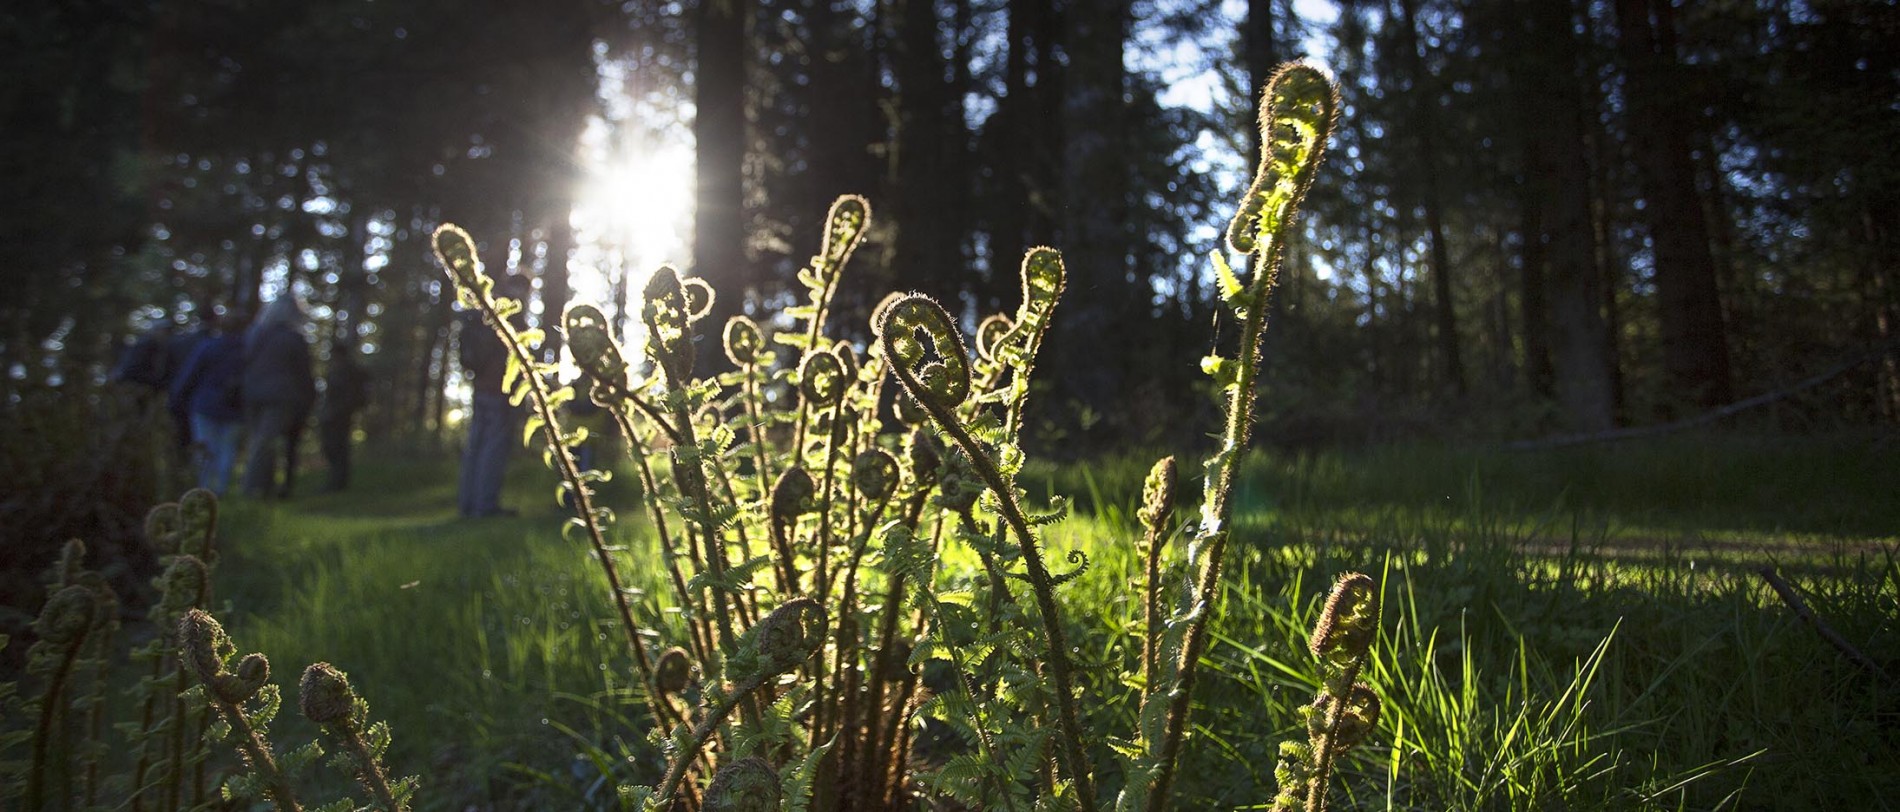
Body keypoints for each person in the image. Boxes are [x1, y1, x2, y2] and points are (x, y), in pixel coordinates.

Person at [457, 274, 529, 518]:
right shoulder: (510, 314)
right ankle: (484, 505)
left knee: (476, 445)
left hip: (480, 389)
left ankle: (468, 504)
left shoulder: (484, 310)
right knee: (493, 447)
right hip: (500, 391)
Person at [239, 296, 315, 498]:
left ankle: (263, 488)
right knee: (264, 442)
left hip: (253, 394)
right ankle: (252, 490)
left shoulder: (255, 334)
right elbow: (303, 374)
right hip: (280, 397)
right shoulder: (293, 338)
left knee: (260, 441)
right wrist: (309, 398)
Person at [170, 307, 248, 495]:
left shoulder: (209, 346)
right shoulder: (249, 351)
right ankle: (219, 490)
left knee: (205, 447)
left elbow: (190, 374)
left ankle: (203, 489)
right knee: (226, 450)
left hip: (206, 405)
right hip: (235, 409)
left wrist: (176, 397)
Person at [318, 334, 369, 492]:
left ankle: (337, 482)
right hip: (338, 413)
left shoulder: (345, 370)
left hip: (339, 414)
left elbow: (343, 394)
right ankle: (336, 481)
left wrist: (339, 409)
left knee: (337, 447)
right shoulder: (343, 370)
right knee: (335, 447)